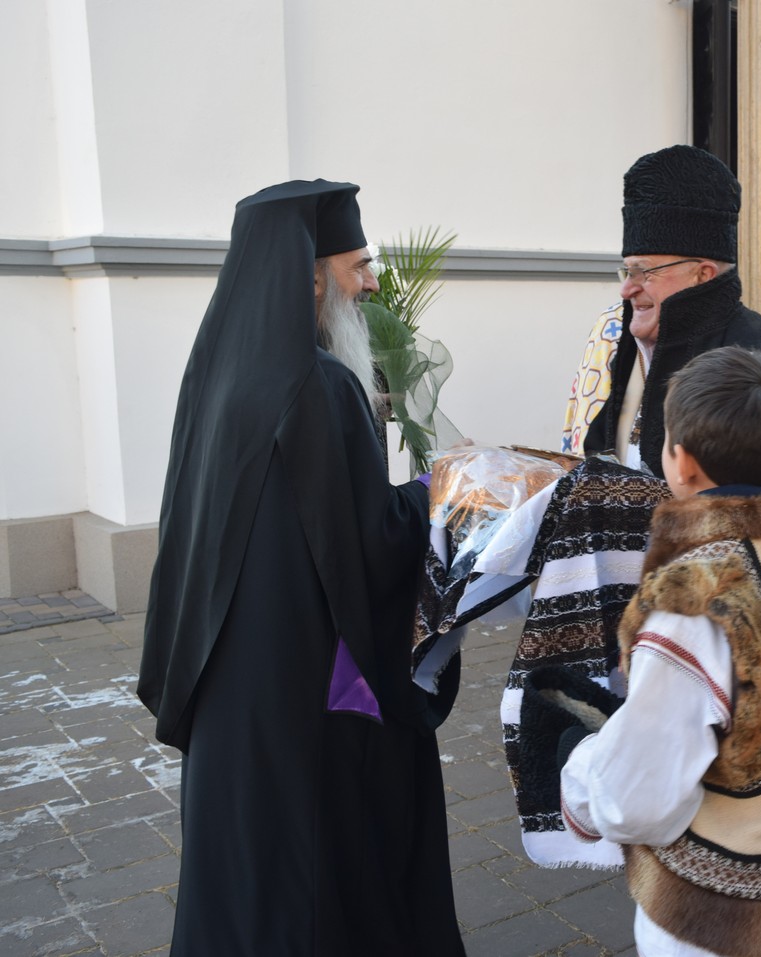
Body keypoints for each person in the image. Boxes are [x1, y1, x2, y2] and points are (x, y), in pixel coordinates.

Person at [138, 180, 464, 955]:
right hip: (307, 693)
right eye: (357, 264)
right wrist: (435, 490)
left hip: (231, 686)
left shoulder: (217, 375)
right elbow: (369, 544)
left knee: (243, 866)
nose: (373, 283)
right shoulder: (317, 385)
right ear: (310, 275)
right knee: (314, 873)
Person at [559, 346, 761, 957]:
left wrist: (578, 770)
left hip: (714, 922)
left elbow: (641, 800)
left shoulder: (699, 598)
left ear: (680, 462)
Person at [582, 145, 761, 501]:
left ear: (702, 274)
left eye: (643, 271)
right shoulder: (636, 346)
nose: (627, 287)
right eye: (627, 269)